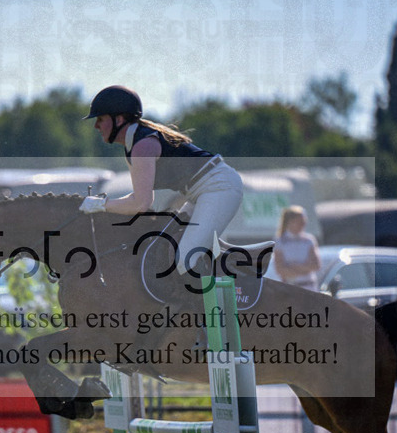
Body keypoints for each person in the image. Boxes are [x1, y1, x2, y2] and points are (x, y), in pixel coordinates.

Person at [78, 85, 244, 300]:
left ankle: (208, 324)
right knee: (164, 248)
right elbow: (139, 200)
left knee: (185, 259)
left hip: (220, 188)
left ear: (119, 119)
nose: (96, 126)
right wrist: (102, 205)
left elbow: (141, 204)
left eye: (100, 119)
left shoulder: (141, 145)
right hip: (205, 191)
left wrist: (101, 204)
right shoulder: (134, 144)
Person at [273, 205, 321, 290]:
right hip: (290, 287)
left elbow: (316, 265)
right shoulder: (281, 241)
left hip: (309, 287)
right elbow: (280, 269)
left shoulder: (309, 240)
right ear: (290, 222)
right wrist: (305, 268)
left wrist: (295, 266)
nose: (303, 224)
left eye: (304, 222)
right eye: (300, 222)